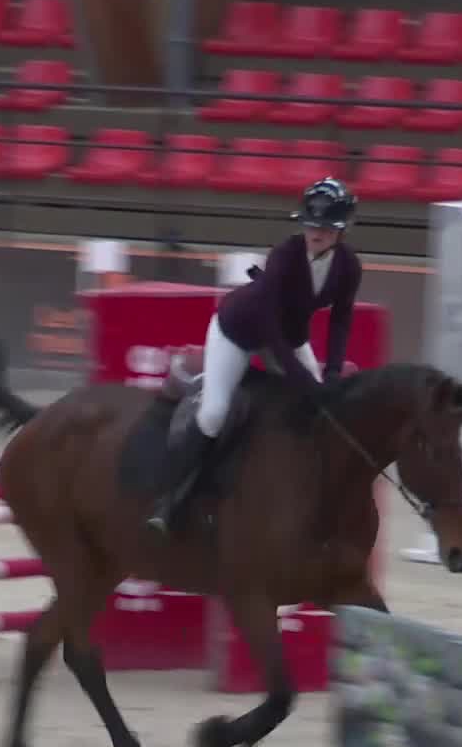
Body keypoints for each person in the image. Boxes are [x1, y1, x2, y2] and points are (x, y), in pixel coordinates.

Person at [145, 177, 366, 535]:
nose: (316, 232)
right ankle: (169, 498)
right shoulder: (284, 256)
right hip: (239, 331)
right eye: (311, 224)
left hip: (288, 336)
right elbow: (268, 325)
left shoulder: (349, 266)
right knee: (214, 414)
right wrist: (301, 378)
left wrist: (333, 374)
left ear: (342, 230)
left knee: (322, 411)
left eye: (326, 227)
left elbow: (341, 320)